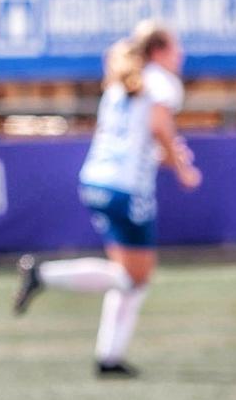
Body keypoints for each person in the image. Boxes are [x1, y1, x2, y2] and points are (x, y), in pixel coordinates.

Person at [13, 21, 202, 379]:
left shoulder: (121, 83)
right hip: (125, 188)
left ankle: (109, 356)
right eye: (175, 47)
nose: (181, 55)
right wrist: (181, 168)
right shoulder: (161, 82)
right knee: (135, 278)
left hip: (98, 180)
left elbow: (129, 137)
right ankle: (44, 275)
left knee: (128, 276)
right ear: (158, 51)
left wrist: (165, 155)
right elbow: (159, 127)